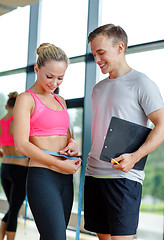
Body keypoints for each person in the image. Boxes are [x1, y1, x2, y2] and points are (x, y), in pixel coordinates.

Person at [84, 24, 164, 240]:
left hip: (124, 177)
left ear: (120, 48)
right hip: (94, 175)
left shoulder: (142, 83)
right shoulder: (97, 89)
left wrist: (135, 157)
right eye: (94, 54)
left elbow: (162, 125)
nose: (97, 60)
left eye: (101, 53)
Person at [13, 43, 81, 240]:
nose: (54, 83)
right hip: (43, 177)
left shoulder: (61, 101)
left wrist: (73, 144)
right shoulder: (26, 99)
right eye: (49, 76)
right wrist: (58, 163)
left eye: (60, 78)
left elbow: (68, 135)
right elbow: (21, 144)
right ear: (37, 69)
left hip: (66, 179)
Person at [0, 92, 29, 240]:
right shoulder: (18, 121)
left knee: (13, 206)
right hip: (20, 168)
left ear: (6, 106)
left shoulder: (0, 122)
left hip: (4, 169)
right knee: (14, 208)